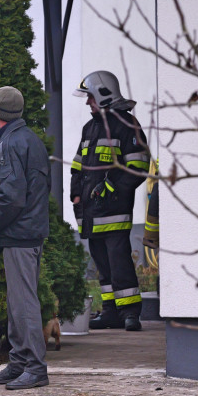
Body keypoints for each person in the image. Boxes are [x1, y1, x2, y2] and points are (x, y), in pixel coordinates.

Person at [0, 86, 52, 391]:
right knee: (18, 302)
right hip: (28, 232)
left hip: (18, 235)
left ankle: (34, 367)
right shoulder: (29, 139)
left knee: (22, 304)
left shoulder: (9, 144)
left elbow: (10, 197)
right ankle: (20, 362)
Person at [70, 70, 150, 332]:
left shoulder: (127, 126)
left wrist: (111, 189)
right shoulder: (89, 128)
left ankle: (130, 313)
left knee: (120, 262)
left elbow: (138, 165)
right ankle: (111, 312)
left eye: (90, 97)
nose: (87, 103)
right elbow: (77, 166)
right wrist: (76, 193)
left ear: (103, 95)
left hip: (113, 211)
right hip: (91, 211)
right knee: (102, 265)